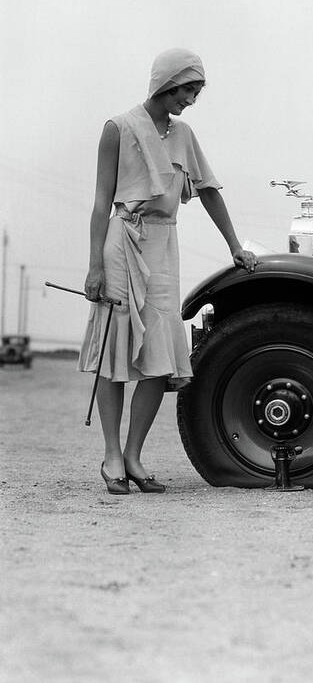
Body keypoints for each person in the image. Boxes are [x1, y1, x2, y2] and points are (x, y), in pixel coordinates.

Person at [79, 48, 258, 495]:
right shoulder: (117, 128)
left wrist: (235, 246)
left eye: (196, 92)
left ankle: (136, 455)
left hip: (163, 247)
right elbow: (102, 201)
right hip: (121, 243)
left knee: (160, 356)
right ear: (166, 84)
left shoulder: (184, 135)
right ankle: (112, 456)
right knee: (114, 351)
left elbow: (210, 190)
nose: (191, 100)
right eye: (188, 90)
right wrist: (95, 266)